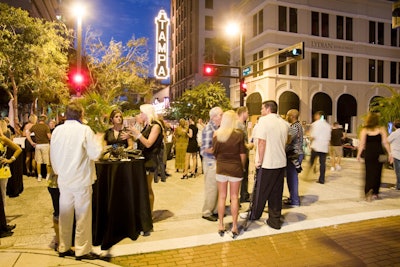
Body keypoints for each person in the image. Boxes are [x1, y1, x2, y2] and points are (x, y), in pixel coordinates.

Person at [50, 101, 103, 260]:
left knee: (65, 214)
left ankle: (63, 246)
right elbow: (95, 154)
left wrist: (59, 171)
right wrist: (99, 140)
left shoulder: (57, 131)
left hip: (64, 179)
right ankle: (81, 250)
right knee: (83, 216)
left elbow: (53, 155)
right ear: (81, 115)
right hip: (81, 179)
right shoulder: (85, 130)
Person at [251, 100, 289, 230]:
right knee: (276, 193)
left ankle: (254, 215)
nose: (261, 111)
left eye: (262, 109)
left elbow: (261, 142)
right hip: (280, 162)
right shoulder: (284, 123)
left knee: (260, 191)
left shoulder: (264, 121)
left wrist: (258, 161)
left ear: (268, 109)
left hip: (267, 162)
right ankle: (274, 219)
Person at [213, 110, 246, 238]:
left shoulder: (217, 134)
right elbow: (242, 154)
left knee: (222, 196)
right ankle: (234, 226)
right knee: (234, 197)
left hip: (221, 167)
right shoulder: (239, 134)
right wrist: (241, 167)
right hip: (235, 168)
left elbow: (215, 152)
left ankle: (220, 224)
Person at [128, 104, 163, 213]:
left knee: (147, 188)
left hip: (150, 160)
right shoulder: (147, 126)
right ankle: (145, 212)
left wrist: (138, 134)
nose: (139, 115)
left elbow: (148, 143)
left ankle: (150, 213)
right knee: (143, 188)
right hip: (144, 159)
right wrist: (132, 136)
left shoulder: (156, 126)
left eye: (141, 112)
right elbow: (142, 142)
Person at [357, 112, 393, 201]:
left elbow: (362, 144)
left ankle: (367, 192)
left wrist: (358, 154)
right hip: (379, 153)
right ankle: (375, 193)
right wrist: (390, 153)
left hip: (369, 153)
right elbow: (385, 142)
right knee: (378, 172)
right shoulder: (381, 129)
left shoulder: (364, 130)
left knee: (368, 172)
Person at [200, 107, 223, 222]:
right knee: (211, 187)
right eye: (221, 115)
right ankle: (207, 211)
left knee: (217, 187)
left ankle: (214, 210)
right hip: (210, 162)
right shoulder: (209, 129)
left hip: (215, 161)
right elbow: (206, 149)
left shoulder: (217, 128)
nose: (222, 117)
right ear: (214, 117)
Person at [284, 109, 304, 207]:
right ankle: (293, 197)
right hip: (297, 153)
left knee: (292, 178)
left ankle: (294, 200)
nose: (286, 117)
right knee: (293, 177)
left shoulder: (294, 127)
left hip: (293, 155)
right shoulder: (299, 125)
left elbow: (288, 141)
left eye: (287, 115)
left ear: (292, 116)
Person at [0, 121, 22, 204]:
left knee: (2, 193)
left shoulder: (3, 139)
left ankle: (2, 214)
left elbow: (18, 149)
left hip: (2, 170)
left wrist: (10, 160)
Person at [26, 114, 52, 181]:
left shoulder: (35, 126)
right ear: (45, 120)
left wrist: (31, 142)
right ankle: (48, 175)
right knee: (47, 161)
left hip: (37, 145)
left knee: (38, 161)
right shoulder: (46, 127)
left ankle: (39, 176)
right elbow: (49, 136)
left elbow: (27, 133)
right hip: (45, 144)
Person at [309, 111, 331, 184]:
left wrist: (310, 143)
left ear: (319, 116)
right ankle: (322, 179)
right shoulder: (328, 126)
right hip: (324, 147)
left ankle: (308, 175)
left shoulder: (315, 124)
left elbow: (313, 136)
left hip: (316, 146)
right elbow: (329, 137)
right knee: (322, 164)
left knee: (311, 161)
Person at [236, 106, 253, 203]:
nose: (248, 114)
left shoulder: (242, 124)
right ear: (243, 113)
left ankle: (244, 194)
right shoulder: (239, 125)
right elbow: (239, 140)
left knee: (244, 175)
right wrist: (248, 145)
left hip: (243, 153)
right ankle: (242, 195)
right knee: (242, 175)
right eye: (247, 112)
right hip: (241, 154)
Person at [388, 119, 400, 190]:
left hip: (396, 154)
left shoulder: (394, 134)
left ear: (394, 126)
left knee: (398, 171)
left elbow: (387, 140)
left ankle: (398, 186)